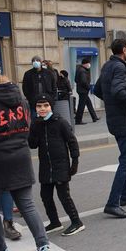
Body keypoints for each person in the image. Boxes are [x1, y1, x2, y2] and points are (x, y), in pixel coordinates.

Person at [0, 61, 54, 251]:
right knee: (27, 204)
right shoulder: (20, 98)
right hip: (20, 155)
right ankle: (44, 249)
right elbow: (27, 126)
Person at [94, 39, 126, 219]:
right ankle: (113, 203)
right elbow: (118, 91)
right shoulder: (120, 68)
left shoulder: (108, 66)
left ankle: (125, 195)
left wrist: (112, 104)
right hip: (122, 119)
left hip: (114, 118)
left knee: (125, 157)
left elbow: (98, 90)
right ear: (124, 50)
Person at [28, 94, 84, 236]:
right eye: (39, 106)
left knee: (63, 195)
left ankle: (76, 222)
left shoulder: (60, 122)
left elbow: (72, 141)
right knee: (45, 195)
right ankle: (54, 222)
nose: (42, 109)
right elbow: (32, 145)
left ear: (51, 106)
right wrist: (33, 128)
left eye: (45, 105)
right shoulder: (36, 123)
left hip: (61, 165)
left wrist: (75, 161)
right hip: (46, 166)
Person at [74, 57, 99, 124]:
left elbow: (76, 80)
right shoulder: (82, 71)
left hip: (81, 90)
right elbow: (83, 81)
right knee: (81, 106)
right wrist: (88, 87)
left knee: (89, 104)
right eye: (88, 63)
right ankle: (78, 120)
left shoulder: (79, 69)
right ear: (85, 64)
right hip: (83, 90)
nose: (89, 65)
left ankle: (94, 117)